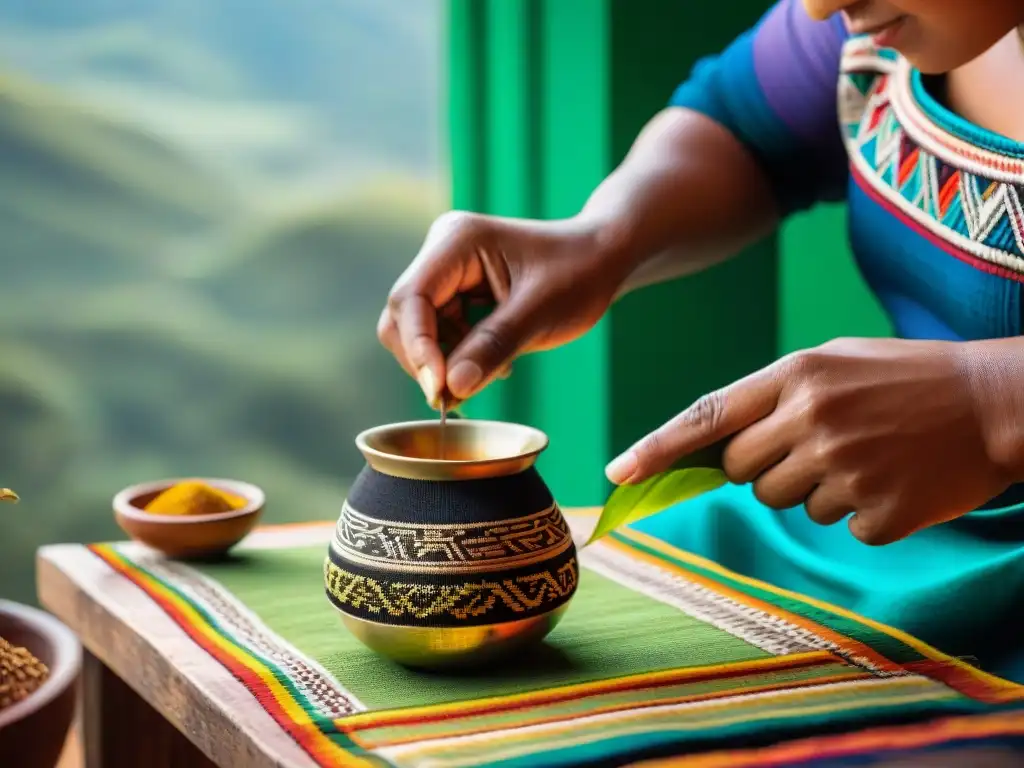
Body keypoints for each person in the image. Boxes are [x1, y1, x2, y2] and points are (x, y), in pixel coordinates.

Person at [378, 0, 1024, 682]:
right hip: (874, 532)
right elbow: (742, 123)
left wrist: (993, 404)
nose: (819, 6)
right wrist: (601, 239)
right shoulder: (874, 29)